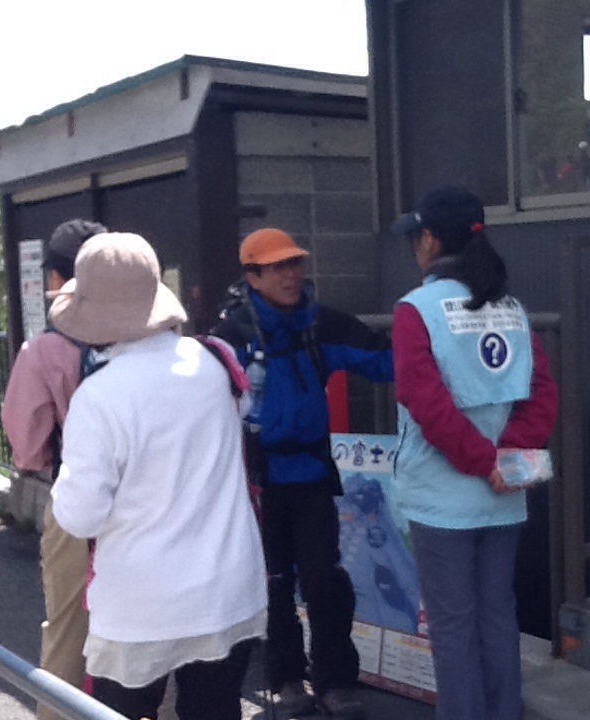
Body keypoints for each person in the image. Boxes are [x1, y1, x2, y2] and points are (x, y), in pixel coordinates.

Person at [48, 232, 267, 720]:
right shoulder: (215, 361)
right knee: (214, 710)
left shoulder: (99, 397)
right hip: (227, 587)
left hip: (141, 605)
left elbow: (81, 517)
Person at [389, 186, 559, 720]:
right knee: (497, 618)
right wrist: (507, 459)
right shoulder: (511, 308)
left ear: (430, 240)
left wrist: (483, 462)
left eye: (416, 237)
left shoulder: (416, 310)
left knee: (453, 628)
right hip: (503, 495)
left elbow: (425, 401)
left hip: (442, 499)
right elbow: (542, 392)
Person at [211, 228, 394, 719]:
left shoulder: (321, 323)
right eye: (277, 267)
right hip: (258, 479)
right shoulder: (232, 337)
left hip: (310, 472)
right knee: (273, 582)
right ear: (252, 277)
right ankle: (286, 677)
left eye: (294, 264)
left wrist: (435, 349)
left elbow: (386, 360)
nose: (291, 275)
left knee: (323, 578)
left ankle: (335, 680)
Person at [2, 218, 107, 720]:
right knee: (150, 638)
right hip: (149, 502)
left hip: (76, 500)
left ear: (56, 278)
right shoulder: (150, 334)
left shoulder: (46, 348)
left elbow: (26, 449)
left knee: (67, 631)